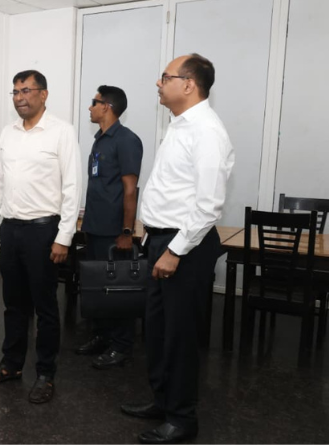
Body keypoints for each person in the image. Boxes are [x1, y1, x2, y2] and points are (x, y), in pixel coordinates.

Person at [121, 54, 234, 444]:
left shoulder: (207, 131)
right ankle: (163, 400)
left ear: (188, 84)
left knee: (180, 336)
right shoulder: (180, 125)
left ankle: (182, 419)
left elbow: (208, 205)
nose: (158, 83)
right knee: (157, 331)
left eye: (165, 77)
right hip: (162, 241)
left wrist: (175, 251)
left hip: (185, 245)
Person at [0, 70, 82, 404]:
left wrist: (64, 237)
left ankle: (46, 373)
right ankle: (11, 364)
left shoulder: (61, 132)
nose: (20, 97)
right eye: (15, 92)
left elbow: (72, 188)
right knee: (13, 304)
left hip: (43, 230)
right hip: (11, 229)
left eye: (26, 90)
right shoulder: (8, 133)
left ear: (43, 94)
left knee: (45, 306)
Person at [77, 85, 143, 369]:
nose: (89, 107)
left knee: (117, 290)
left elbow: (130, 190)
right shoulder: (99, 140)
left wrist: (126, 232)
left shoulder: (126, 140)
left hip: (114, 231)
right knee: (98, 288)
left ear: (107, 106)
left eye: (94, 102)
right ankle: (102, 336)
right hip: (95, 227)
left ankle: (121, 345)